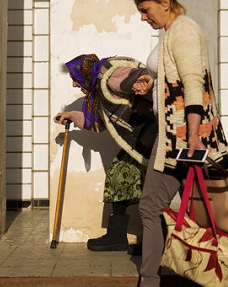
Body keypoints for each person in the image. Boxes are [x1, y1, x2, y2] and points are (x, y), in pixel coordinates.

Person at [108, 0, 228, 287]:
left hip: (184, 141)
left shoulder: (184, 30)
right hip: (178, 140)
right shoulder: (172, 32)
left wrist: (191, 137)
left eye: (146, 10)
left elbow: (194, 85)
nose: (143, 17)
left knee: (157, 207)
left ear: (166, 3)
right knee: (198, 212)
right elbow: (174, 80)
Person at [54, 54, 157, 251]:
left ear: (84, 73)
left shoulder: (110, 75)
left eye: (75, 78)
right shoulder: (99, 93)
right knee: (123, 179)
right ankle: (121, 238)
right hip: (139, 142)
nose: (75, 84)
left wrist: (143, 80)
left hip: (149, 137)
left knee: (151, 187)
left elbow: (134, 76)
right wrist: (70, 115)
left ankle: (151, 243)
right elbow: (97, 123)